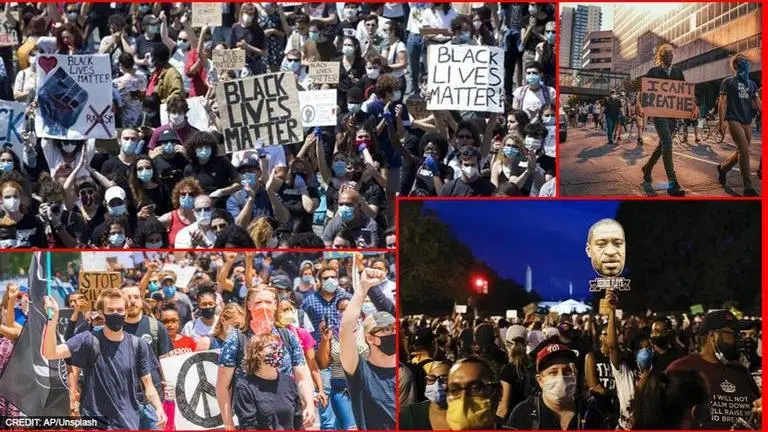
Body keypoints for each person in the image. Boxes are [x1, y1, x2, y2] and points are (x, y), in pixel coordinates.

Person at [41, 289, 167, 430]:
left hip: (128, 422)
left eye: (120, 310)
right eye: (110, 310)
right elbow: (51, 353)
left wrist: (159, 408)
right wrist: (52, 320)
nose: (115, 314)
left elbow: (148, 385)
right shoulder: (88, 340)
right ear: (101, 313)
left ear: (126, 312)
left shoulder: (138, 345)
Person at [216, 288, 315, 430]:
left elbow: (302, 376)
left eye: (268, 302)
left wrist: (309, 405)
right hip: (250, 416)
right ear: (249, 306)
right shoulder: (236, 339)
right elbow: (223, 385)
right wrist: (228, 422)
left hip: (285, 414)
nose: (263, 306)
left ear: (275, 305)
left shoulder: (288, 336)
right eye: (258, 302)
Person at [666, 310, 760, 429]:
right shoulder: (681, 369)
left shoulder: (742, 372)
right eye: (732, 333)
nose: (738, 339)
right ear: (712, 335)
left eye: (738, 333)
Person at [340, 268, 396, 429]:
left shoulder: (405, 371)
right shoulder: (360, 372)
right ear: (370, 338)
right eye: (385, 330)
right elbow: (346, 329)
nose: (392, 333)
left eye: (394, 329)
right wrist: (363, 288)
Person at [638, 43, 696, 196]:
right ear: (662, 57)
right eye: (667, 55)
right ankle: (673, 183)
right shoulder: (653, 71)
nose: (670, 58)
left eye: (672, 55)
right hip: (659, 115)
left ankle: (647, 168)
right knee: (668, 143)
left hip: (673, 115)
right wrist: (639, 104)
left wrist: (693, 106)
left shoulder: (678, 72)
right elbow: (644, 90)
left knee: (662, 145)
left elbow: (685, 93)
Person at [508, 343, 604, 430]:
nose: (561, 378)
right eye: (553, 372)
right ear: (540, 380)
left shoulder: (591, 414)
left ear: (575, 375)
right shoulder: (522, 414)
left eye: (567, 371)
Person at [234, 333, 303, 429]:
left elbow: (298, 421)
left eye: (279, 346)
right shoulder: (244, 387)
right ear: (257, 353)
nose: (278, 350)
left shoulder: (289, 382)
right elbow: (248, 425)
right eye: (272, 347)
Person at [716, 54, 760, 196]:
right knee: (744, 151)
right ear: (735, 66)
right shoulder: (728, 82)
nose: (745, 64)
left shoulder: (752, 84)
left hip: (747, 121)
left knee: (742, 150)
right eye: (741, 62)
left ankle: (723, 168)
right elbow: (722, 103)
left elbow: (759, 104)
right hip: (733, 119)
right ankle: (748, 187)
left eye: (746, 61)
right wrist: (721, 123)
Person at [400, 361, 452, 430]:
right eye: (431, 379)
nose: (436, 385)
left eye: (444, 380)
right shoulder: (410, 414)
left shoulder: (466, 413)